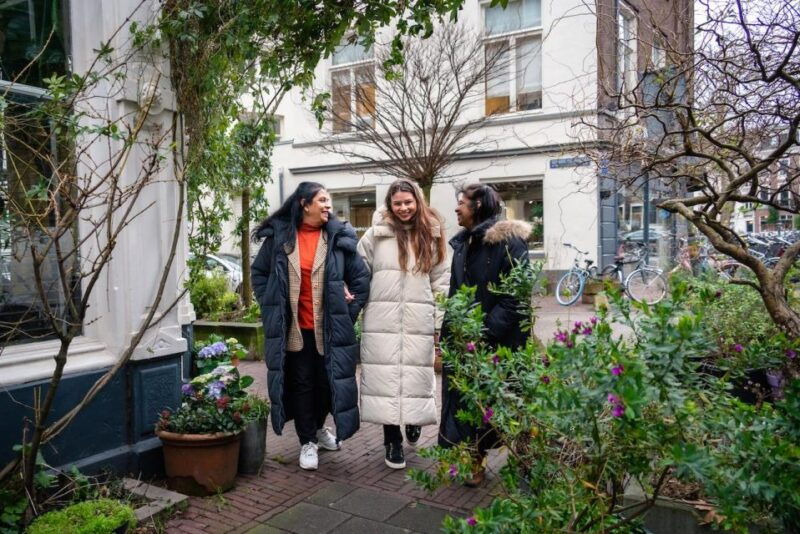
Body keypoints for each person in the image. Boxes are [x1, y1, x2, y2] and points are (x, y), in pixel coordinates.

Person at [251, 182, 370, 470]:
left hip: (329, 330)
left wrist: (346, 314)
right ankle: (307, 441)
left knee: (328, 385)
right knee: (302, 384)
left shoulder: (338, 238)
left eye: (328, 200)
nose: (328, 206)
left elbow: (360, 280)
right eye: (322, 200)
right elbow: (260, 273)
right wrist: (270, 306)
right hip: (295, 330)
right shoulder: (281, 238)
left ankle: (317, 427)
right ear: (305, 204)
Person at [438, 183, 531, 486]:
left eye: (462, 202)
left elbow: (515, 297)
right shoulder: (464, 244)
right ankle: (474, 462)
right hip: (466, 342)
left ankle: (526, 461)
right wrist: (448, 338)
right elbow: (455, 294)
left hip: (499, 343)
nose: (456, 208)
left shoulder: (510, 243)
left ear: (477, 206)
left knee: (505, 405)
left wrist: (482, 333)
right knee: (468, 403)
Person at [357, 179, 450, 469]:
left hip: (418, 319)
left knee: (415, 377)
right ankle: (392, 440)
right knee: (384, 381)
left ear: (417, 202)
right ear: (389, 205)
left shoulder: (432, 234)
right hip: (381, 320)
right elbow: (359, 272)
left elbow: (441, 281)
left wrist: (439, 322)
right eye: (397, 203)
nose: (403, 208)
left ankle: (413, 419)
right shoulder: (375, 235)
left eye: (408, 202)